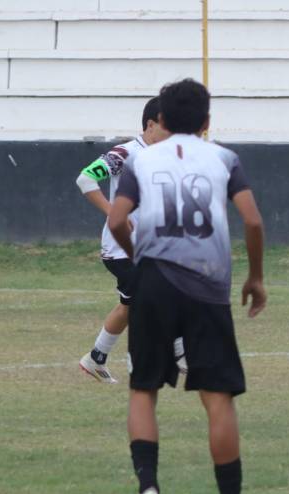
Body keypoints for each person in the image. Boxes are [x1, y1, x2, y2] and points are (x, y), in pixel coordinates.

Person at [108, 78, 265, 494]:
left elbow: (119, 220)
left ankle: (148, 491)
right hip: (207, 285)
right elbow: (252, 221)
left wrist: (138, 257)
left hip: (154, 281)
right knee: (217, 396)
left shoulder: (144, 160)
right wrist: (255, 277)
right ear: (207, 121)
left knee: (143, 389)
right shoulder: (224, 158)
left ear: (159, 119)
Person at [75, 97, 186, 383]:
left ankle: (96, 358)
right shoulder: (125, 153)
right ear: (150, 125)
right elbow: (86, 179)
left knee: (130, 304)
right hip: (121, 249)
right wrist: (115, 213)